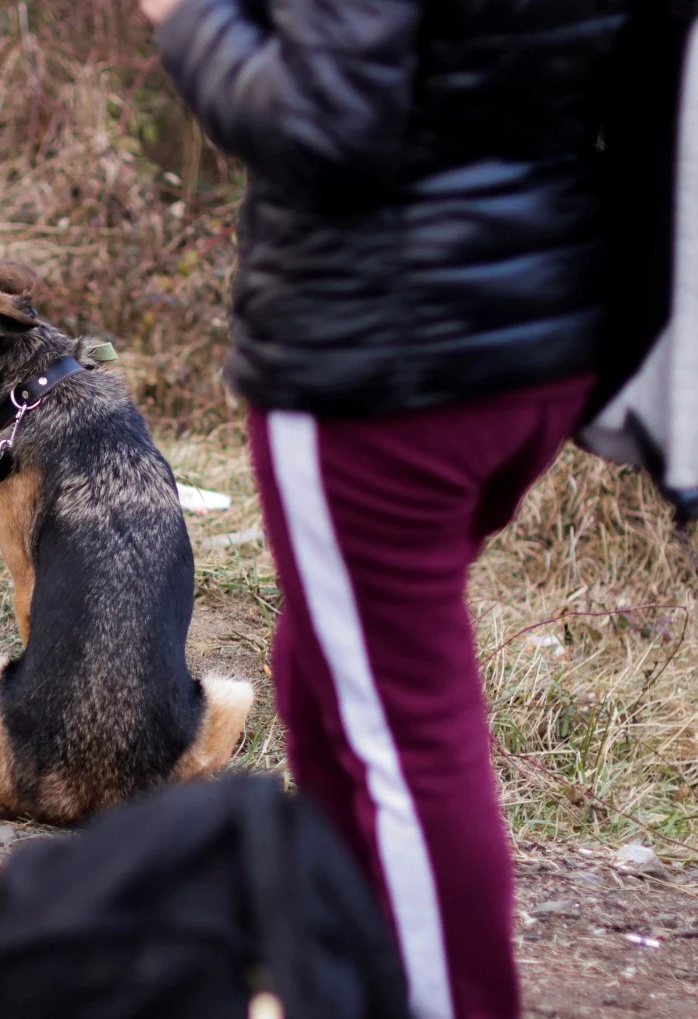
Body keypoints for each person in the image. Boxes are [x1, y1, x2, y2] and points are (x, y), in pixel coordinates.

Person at [141, 2, 636, 1018]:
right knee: (318, 668)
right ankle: (335, 972)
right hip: (538, 334)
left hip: (385, 362)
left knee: (399, 733)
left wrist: (185, 15)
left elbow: (324, 122)